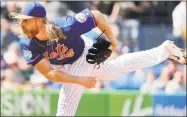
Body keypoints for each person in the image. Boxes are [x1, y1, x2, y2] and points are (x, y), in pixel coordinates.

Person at [10, 2, 186, 116]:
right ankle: (164, 50)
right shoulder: (27, 43)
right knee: (113, 70)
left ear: (40, 21)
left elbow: (96, 16)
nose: (22, 24)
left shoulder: (65, 26)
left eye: (27, 20)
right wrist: (79, 79)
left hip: (83, 53)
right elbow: (49, 73)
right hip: (68, 64)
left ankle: (164, 50)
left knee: (66, 105)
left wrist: (113, 40)